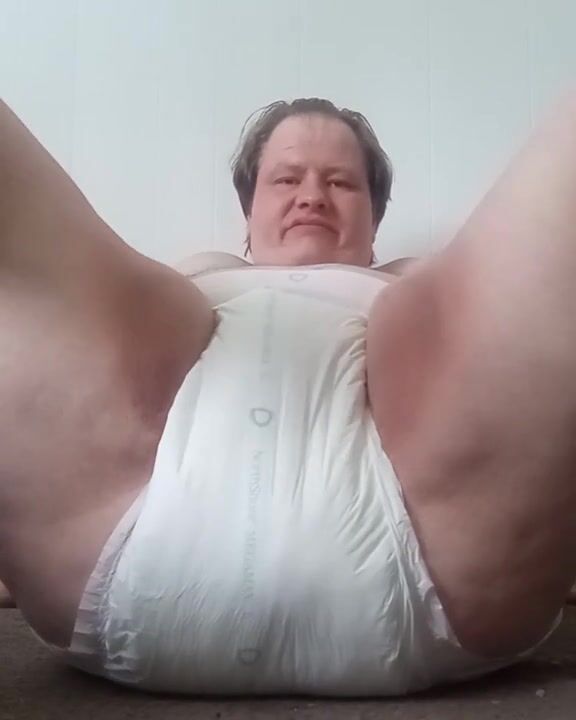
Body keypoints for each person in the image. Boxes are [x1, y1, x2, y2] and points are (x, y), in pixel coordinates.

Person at [1, 91, 576, 695]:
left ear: (374, 221)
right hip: (112, 510)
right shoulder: (196, 277)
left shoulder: (411, 287)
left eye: (341, 182)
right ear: (249, 212)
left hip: (439, 534)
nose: (312, 196)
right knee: (155, 300)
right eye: (286, 178)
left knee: (435, 304)